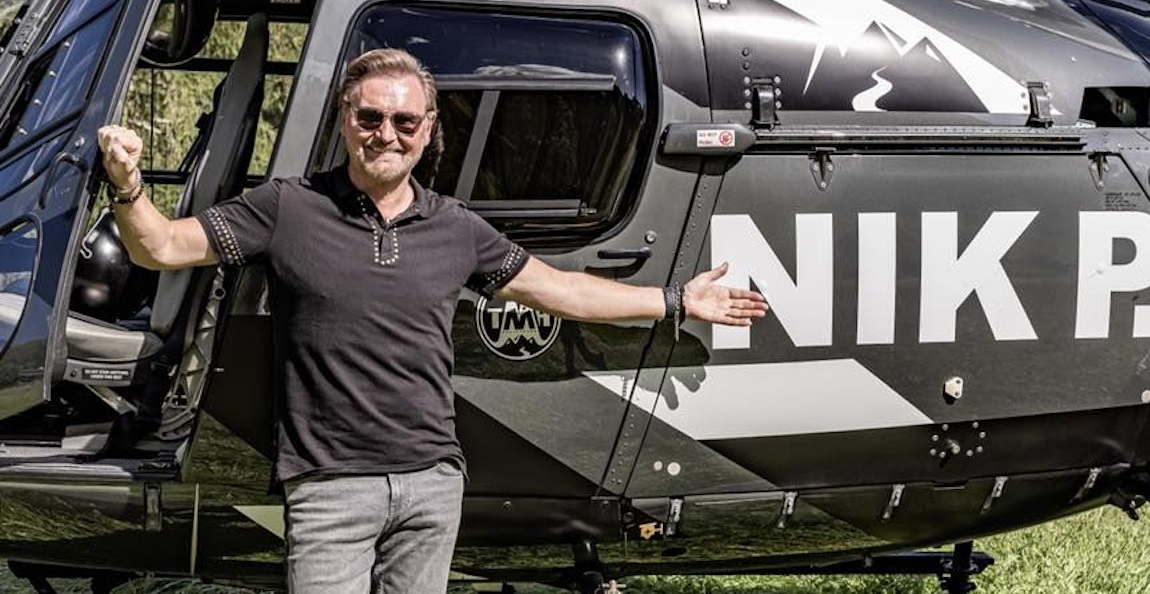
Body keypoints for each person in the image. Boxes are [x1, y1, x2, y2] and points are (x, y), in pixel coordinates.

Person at [97, 48, 768, 594]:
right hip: (330, 486)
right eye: (370, 117)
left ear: (427, 129)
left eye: (404, 121)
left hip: (430, 483)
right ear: (345, 119)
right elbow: (162, 247)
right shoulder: (286, 208)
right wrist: (128, 185)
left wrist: (675, 301)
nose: (386, 134)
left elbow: (561, 291)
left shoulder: (456, 228)